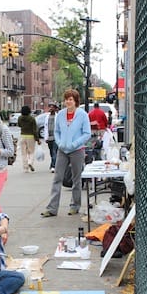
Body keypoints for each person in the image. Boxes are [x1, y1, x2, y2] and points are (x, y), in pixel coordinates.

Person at [41, 89, 91, 217]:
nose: (68, 102)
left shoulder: (82, 115)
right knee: (57, 178)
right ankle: (52, 208)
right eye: (66, 99)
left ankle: (75, 205)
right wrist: (59, 142)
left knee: (76, 179)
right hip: (62, 150)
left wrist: (75, 144)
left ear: (75, 101)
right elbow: (56, 131)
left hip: (77, 150)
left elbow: (87, 134)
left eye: (71, 99)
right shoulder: (61, 115)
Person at [16, 105, 39, 173]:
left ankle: (25, 168)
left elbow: (19, 125)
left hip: (23, 136)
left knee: (24, 153)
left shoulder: (20, 118)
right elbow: (34, 130)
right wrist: (37, 139)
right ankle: (30, 162)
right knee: (31, 152)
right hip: (31, 136)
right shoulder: (32, 119)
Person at [43, 102, 59, 173]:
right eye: (50, 107)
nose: (51, 108)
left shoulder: (57, 116)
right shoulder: (47, 117)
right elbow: (45, 127)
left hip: (56, 137)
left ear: (55, 109)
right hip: (49, 137)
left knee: (54, 151)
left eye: (52, 107)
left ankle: (53, 166)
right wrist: (45, 137)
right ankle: (53, 164)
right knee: (51, 153)